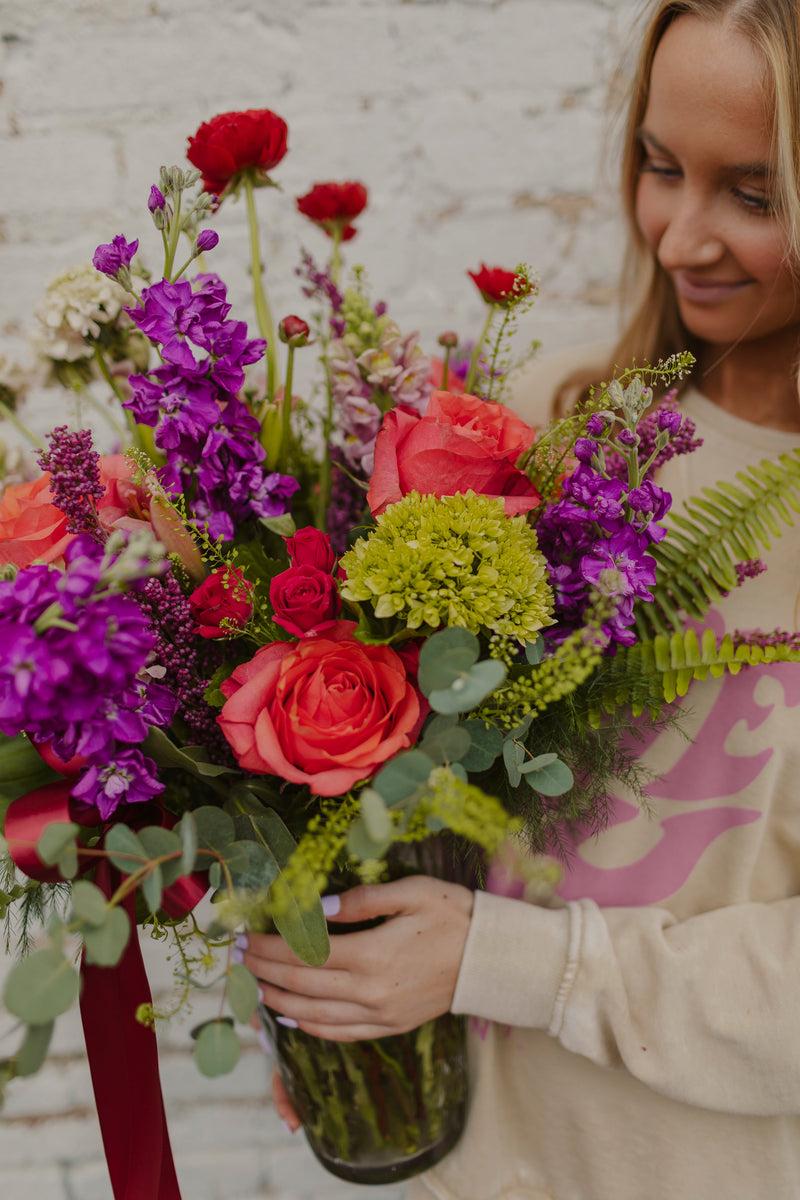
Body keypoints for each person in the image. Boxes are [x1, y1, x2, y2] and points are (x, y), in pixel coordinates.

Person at [239, 2, 800, 1196]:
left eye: (753, 195)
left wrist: (507, 964)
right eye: (658, 166)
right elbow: (403, 782)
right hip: (466, 1159)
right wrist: (336, 988)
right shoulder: (544, 422)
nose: (678, 236)